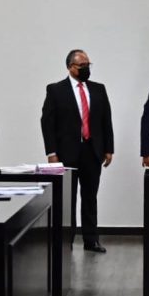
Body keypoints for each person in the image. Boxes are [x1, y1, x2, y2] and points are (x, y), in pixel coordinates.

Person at [41, 50, 114, 253]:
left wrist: (109, 148)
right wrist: (51, 153)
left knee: (90, 197)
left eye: (88, 64)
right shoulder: (56, 90)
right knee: (68, 199)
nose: (86, 69)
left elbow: (106, 120)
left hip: (93, 151)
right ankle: (67, 241)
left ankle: (91, 240)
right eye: (82, 66)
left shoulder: (98, 89)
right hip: (67, 153)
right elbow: (47, 123)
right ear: (70, 67)